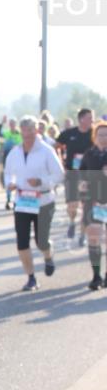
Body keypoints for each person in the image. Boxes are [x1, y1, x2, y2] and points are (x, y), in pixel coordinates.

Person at [3, 116, 65, 292]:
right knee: (22, 242)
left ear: (36, 130)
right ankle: (31, 278)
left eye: (30, 130)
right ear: (21, 132)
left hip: (44, 200)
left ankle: (47, 255)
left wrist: (41, 182)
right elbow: (8, 173)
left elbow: (59, 175)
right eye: (24, 131)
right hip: (22, 201)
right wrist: (10, 184)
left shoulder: (46, 151)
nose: (27, 134)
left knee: (41, 241)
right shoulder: (15, 152)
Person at [57, 108, 95, 244]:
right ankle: (72, 222)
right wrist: (60, 160)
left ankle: (82, 236)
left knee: (86, 206)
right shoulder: (69, 133)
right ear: (81, 119)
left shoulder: (94, 134)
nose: (92, 120)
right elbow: (56, 145)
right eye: (90, 118)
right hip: (72, 173)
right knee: (72, 205)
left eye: (93, 118)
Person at [78, 121, 107, 290]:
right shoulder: (89, 155)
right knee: (94, 237)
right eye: (100, 134)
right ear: (95, 137)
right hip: (94, 202)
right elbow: (81, 177)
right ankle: (96, 276)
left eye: (106, 134)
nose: (104, 137)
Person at [0, 116, 23, 210]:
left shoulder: (20, 134)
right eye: (10, 124)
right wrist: (2, 123)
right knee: (8, 178)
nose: (12, 125)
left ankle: (18, 198)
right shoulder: (7, 133)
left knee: (18, 178)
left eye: (13, 124)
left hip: (18, 158)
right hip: (7, 158)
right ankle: (8, 200)